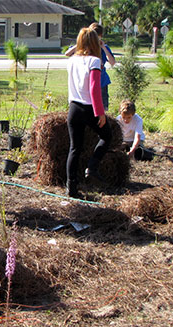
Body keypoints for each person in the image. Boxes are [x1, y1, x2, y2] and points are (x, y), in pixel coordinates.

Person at [66, 27, 112, 198]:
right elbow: (94, 89)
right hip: (88, 108)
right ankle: (92, 167)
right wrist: (100, 112)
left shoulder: (71, 61)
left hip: (74, 108)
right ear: (95, 43)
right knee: (107, 136)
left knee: (74, 148)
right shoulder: (94, 61)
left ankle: (71, 189)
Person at [65, 23, 115, 111]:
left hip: (102, 82)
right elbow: (67, 54)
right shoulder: (83, 49)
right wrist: (80, 43)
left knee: (103, 108)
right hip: (86, 83)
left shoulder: (104, 48)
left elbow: (112, 62)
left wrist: (103, 47)